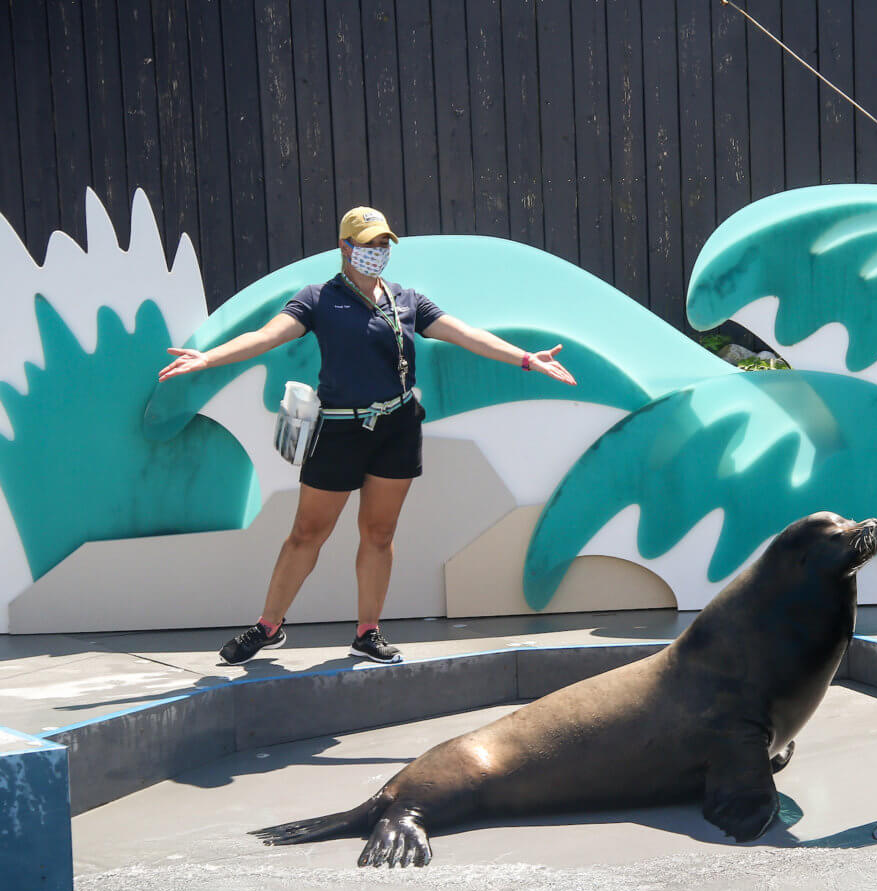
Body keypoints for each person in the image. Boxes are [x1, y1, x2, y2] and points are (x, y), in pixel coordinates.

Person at [158, 206, 576, 665]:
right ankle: (269, 626)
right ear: (345, 247)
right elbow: (266, 336)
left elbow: (466, 334)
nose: (377, 252)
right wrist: (207, 358)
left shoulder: (408, 300)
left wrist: (526, 359)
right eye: (368, 244)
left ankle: (368, 631)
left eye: (383, 245)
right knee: (307, 533)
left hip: (396, 426)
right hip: (339, 428)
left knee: (378, 533)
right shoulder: (318, 299)